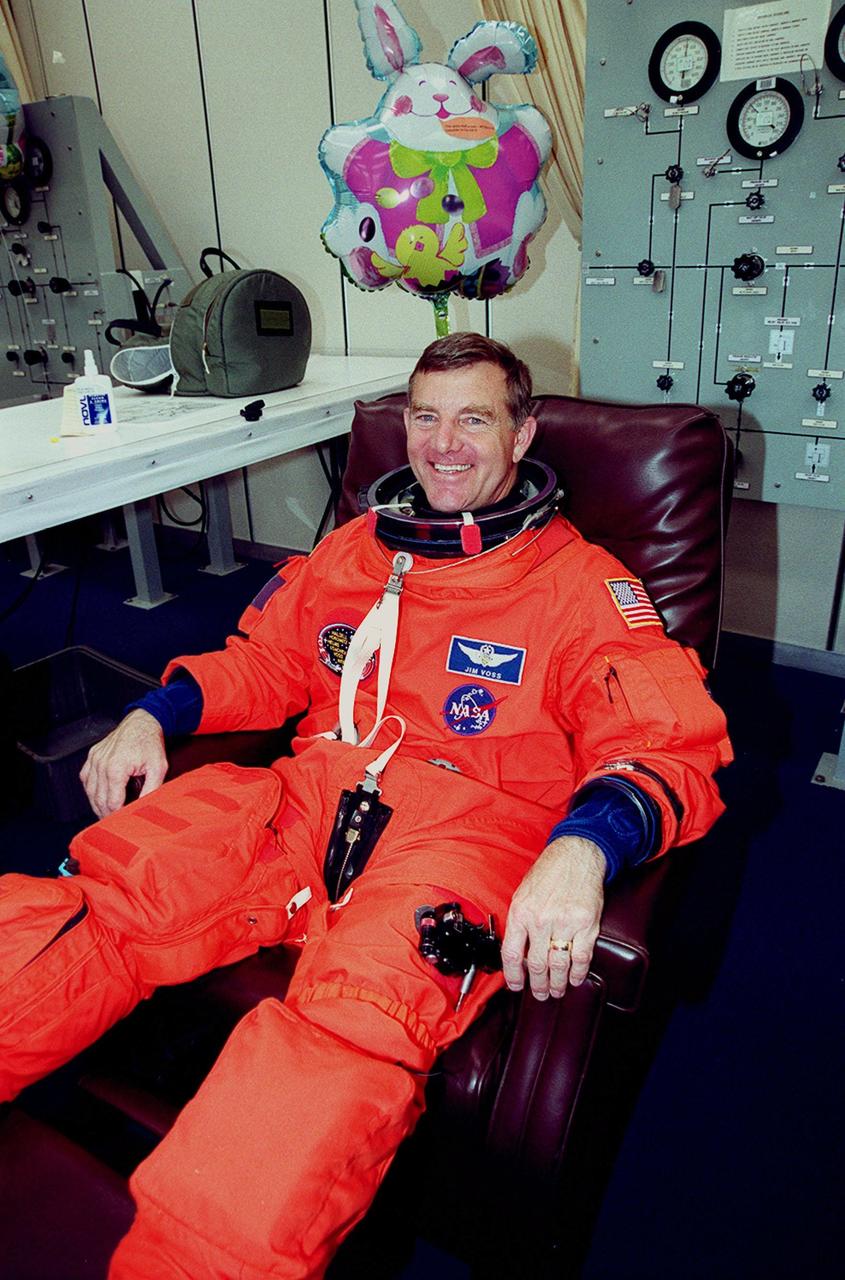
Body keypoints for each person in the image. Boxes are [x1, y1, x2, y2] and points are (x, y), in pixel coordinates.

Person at [0, 334, 731, 1278]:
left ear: (523, 434)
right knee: (118, 888)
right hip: (307, 795)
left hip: (469, 829)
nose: (443, 444)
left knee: (351, 1024)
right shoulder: (353, 548)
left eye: (474, 418)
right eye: (424, 417)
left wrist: (584, 848)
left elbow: (667, 743)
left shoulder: (582, 588)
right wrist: (153, 712)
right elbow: (265, 662)